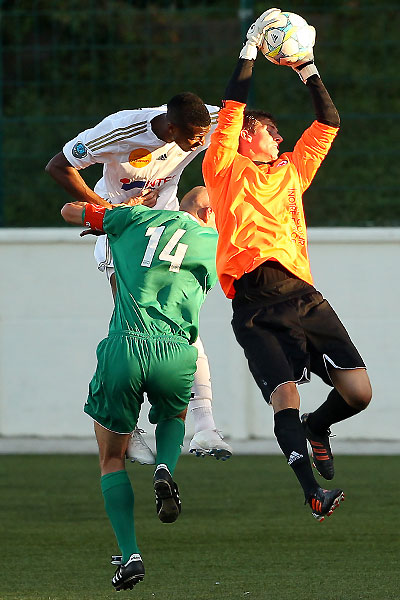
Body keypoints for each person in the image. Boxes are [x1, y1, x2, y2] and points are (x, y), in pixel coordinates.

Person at [202, 8, 372, 521]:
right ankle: (311, 493)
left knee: (359, 392)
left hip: (303, 295)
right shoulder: (224, 168)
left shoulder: (293, 171)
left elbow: (329, 122)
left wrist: (307, 68)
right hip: (254, 302)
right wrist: (250, 49)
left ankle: (321, 427)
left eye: (278, 133)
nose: (278, 138)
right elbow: (233, 105)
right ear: (247, 136)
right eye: (270, 131)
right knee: (285, 397)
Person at [46, 92, 232, 461]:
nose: (200, 143)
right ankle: (128, 427)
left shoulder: (207, 121)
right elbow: (57, 166)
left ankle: (206, 427)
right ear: (171, 127)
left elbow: (240, 116)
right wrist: (112, 212)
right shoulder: (120, 130)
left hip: (166, 226)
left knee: (180, 324)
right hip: (124, 232)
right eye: (194, 136)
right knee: (133, 328)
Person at [60, 186, 218, 591]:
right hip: (175, 351)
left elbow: (69, 211)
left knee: (112, 458)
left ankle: (130, 555)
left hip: (126, 345)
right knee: (174, 414)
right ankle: (166, 465)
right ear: (207, 213)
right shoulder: (212, 241)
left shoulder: (132, 219)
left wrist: (118, 211)